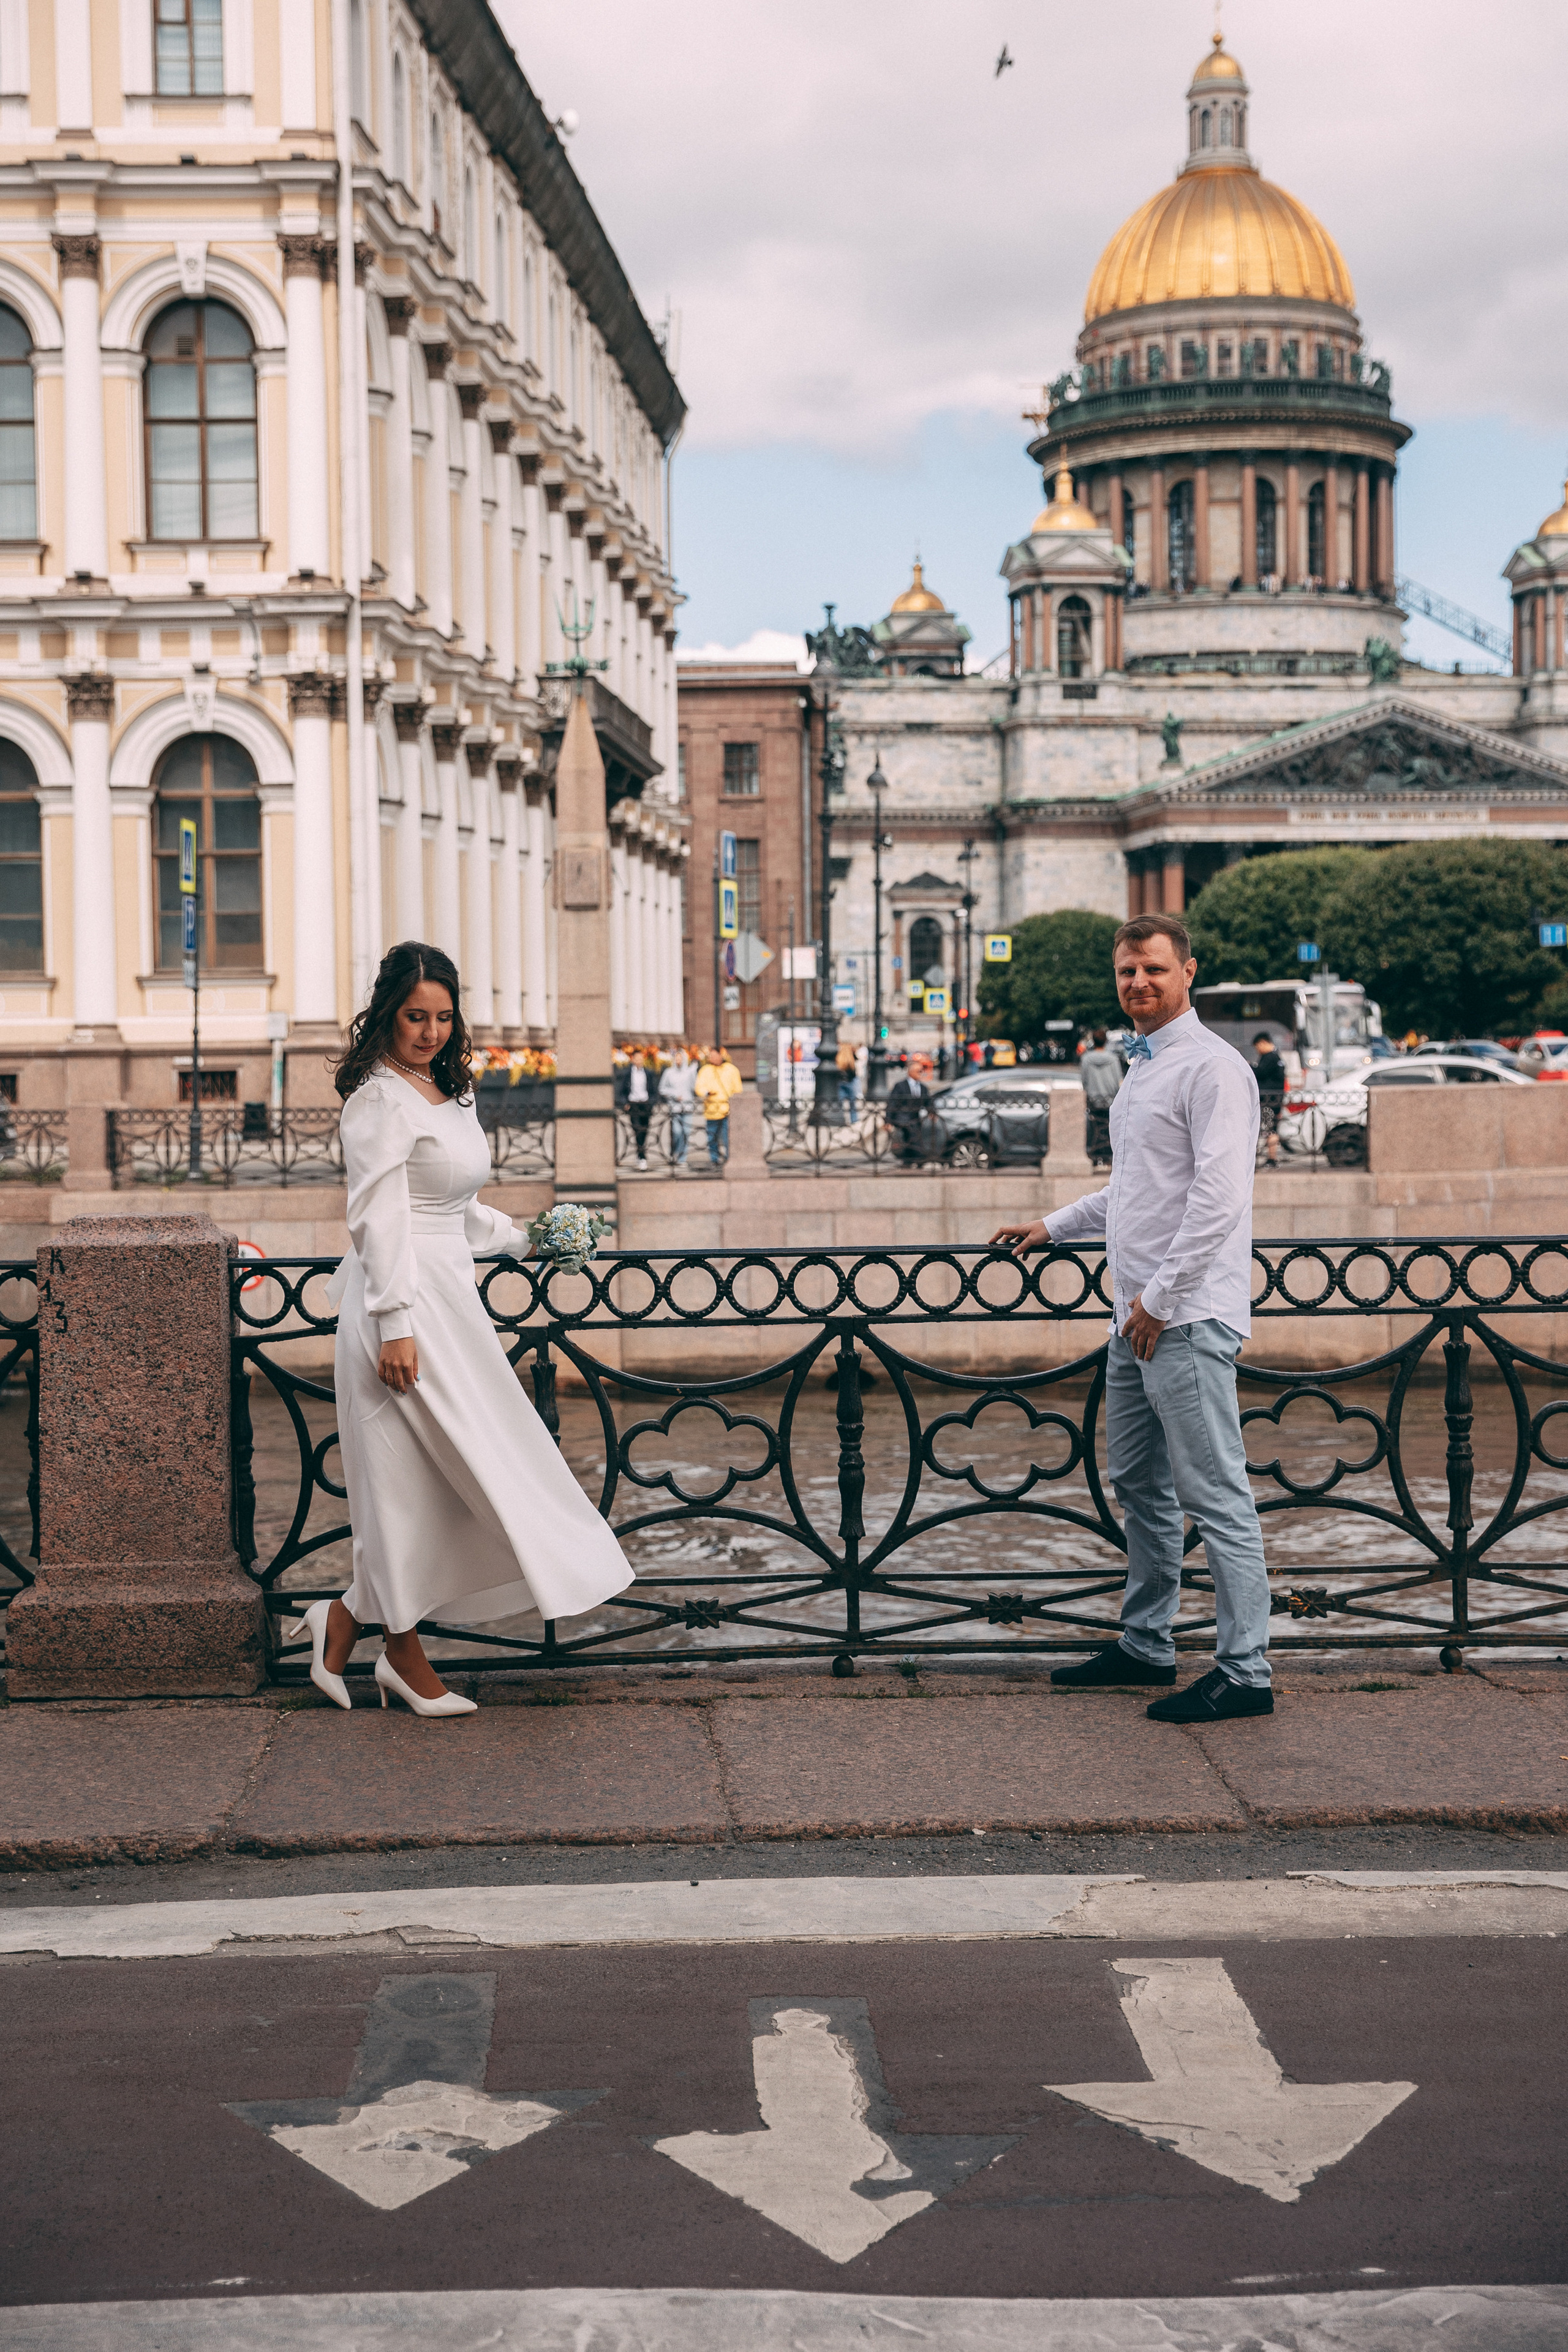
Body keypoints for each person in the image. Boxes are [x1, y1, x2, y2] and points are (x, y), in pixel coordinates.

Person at [295, 941, 631, 1717]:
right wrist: (395, 1324)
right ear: (386, 1014)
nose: (431, 1032)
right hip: (400, 1307)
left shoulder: (445, 1090)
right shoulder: (378, 1099)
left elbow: (454, 1209)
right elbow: (378, 1218)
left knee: (478, 1470)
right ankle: (402, 1656)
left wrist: (530, 1238)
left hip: (451, 1302)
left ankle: (343, 1621)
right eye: (416, 1017)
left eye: (444, 1017)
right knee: (398, 1485)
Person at [990, 913, 1272, 1725]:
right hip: (1136, 1314)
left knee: (1214, 1492)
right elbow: (1138, 1191)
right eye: (1126, 973)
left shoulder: (1215, 1070)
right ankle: (1147, 1645)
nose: (1138, 984)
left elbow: (1221, 1198)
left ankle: (1246, 1670)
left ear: (1188, 971)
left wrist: (1160, 1299)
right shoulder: (1146, 1066)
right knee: (1139, 1484)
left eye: (1152, 969)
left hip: (1177, 1315)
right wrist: (1055, 1226)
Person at [1079, 1027, 1122, 1169]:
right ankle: (1108, 1157)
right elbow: (1118, 1080)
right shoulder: (1113, 1059)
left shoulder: (1086, 1059)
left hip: (1094, 1102)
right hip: (1110, 1101)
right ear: (1106, 1041)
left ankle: (1096, 1156)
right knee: (1109, 1129)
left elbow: (1084, 1081)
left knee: (1095, 1129)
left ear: (1093, 1041)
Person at [695, 1043, 742, 1167]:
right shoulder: (705, 1070)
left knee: (728, 1137)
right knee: (712, 1137)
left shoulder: (731, 1069)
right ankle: (714, 1159)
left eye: (715, 1056)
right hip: (712, 1109)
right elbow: (699, 1088)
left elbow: (738, 1089)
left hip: (727, 1110)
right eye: (711, 1056)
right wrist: (707, 1093)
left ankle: (729, 1159)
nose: (713, 1058)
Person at [884, 1055, 934, 1165]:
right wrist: (888, 1121)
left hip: (915, 1118)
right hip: (902, 1118)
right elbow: (892, 1103)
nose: (921, 1073)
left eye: (922, 1071)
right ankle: (919, 1157)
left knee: (914, 1132)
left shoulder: (923, 1087)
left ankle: (911, 1159)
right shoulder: (900, 1086)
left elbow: (928, 1102)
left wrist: (932, 1112)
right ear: (911, 1072)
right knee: (912, 1133)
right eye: (919, 1071)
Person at [1253, 1030, 1286, 1164]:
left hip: (1268, 1101)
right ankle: (1272, 1159)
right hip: (1276, 1101)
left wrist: (1250, 1066)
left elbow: (1260, 1073)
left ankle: (1271, 1160)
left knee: (1269, 1129)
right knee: (1272, 1129)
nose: (1258, 1050)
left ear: (1263, 1043)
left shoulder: (1269, 1058)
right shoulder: (1277, 1057)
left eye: (1257, 1046)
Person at [660, 1046, 695, 1169]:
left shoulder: (689, 1072)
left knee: (686, 1132)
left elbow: (694, 1087)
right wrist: (674, 1095)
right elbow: (662, 1089)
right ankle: (674, 1151)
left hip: (687, 1106)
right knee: (677, 1132)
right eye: (677, 1058)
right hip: (675, 1107)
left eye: (681, 1058)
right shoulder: (668, 1073)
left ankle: (682, 1158)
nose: (679, 1061)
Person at [626, 1048, 655, 1168]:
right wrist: (625, 1103)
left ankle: (640, 1153)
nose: (639, 1061)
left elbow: (653, 1089)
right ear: (633, 1059)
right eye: (637, 1058)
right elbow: (621, 1090)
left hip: (645, 1104)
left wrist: (652, 1103)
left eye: (641, 1058)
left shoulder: (649, 1073)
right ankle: (642, 1157)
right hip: (634, 1104)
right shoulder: (627, 1073)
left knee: (645, 1130)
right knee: (637, 1130)